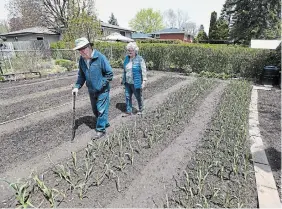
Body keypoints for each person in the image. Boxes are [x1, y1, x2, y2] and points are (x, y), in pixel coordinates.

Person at [72, 37, 113, 139]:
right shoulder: (82, 60)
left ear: (89, 47)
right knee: (95, 110)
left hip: (102, 90)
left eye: (83, 49)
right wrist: (77, 86)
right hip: (91, 90)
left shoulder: (100, 58)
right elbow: (81, 75)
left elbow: (109, 74)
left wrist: (101, 84)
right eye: (79, 50)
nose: (81, 52)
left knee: (101, 109)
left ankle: (101, 130)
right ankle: (104, 123)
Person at [122, 42, 147, 116]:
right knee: (127, 96)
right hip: (127, 82)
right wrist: (122, 78)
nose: (130, 52)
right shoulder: (126, 59)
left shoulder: (140, 59)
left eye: (131, 50)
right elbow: (124, 70)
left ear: (135, 51)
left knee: (138, 96)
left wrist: (144, 81)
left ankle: (141, 110)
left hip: (136, 82)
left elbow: (144, 70)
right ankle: (129, 111)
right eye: (128, 50)